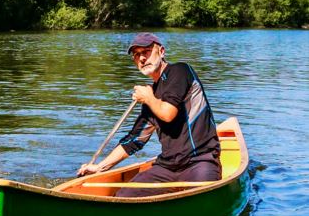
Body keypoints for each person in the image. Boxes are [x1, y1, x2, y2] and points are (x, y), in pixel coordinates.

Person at [78, 32, 221, 197]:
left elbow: (168, 113)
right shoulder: (151, 94)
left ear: (161, 51)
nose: (142, 59)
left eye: (146, 51)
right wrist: (100, 167)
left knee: (200, 196)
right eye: (136, 55)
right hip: (167, 167)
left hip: (200, 161)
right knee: (122, 197)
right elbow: (134, 140)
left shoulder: (180, 71)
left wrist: (148, 98)